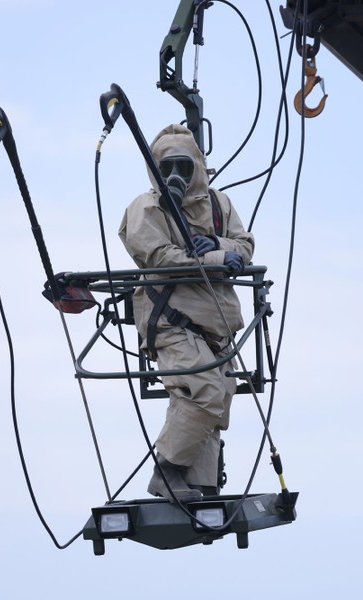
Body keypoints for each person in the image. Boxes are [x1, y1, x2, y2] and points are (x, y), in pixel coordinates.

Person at [118, 124, 255, 502]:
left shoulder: (218, 205)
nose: (177, 176)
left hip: (216, 326)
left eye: (183, 166)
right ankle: (167, 473)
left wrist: (216, 241)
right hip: (171, 321)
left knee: (217, 399)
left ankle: (201, 486)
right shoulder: (145, 209)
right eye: (168, 169)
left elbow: (245, 245)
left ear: (198, 166)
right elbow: (160, 258)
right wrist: (216, 257)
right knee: (202, 390)